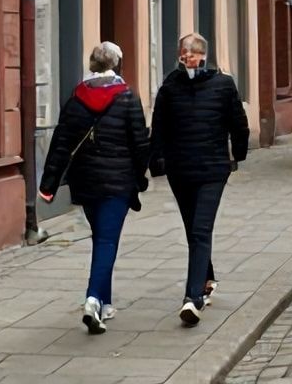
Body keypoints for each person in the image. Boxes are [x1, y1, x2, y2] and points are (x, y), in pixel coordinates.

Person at [37, 41, 150, 335]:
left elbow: (61, 143)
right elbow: (140, 144)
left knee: (101, 237)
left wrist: (48, 183)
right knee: (107, 241)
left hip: (85, 181)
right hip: (118, 181)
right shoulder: (127, 97)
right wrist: (141, 178)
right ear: (117, 65)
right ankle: (92, 299)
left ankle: (106, 302)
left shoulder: (76, 99)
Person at [150, 32, 249, 325]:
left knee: (200, 230)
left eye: (192, 52)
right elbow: (159, 127)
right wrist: (155, 162)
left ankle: (192, 299)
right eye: (183, 52)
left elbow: (238, 124)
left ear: (204, 55)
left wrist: (238, 156)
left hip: (212, 170)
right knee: (193, 227)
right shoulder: (170, 86)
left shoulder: (223, 85)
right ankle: (207, 278)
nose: (187, 57)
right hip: (180, 170)